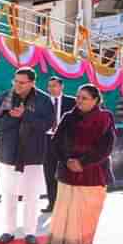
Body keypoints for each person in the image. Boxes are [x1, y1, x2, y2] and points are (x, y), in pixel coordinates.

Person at [47, 84, 115, 244]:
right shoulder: (68, 117)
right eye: (78, 97)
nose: (79, 101)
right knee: (65, 209)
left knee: (88, 210)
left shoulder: (105, 117)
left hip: (93, 172)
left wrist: (83, 163)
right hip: (67, 170)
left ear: (96, 100)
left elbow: (106, 147)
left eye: (84, 98)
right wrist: (67, 160)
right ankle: (61, 243)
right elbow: (55, 142)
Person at [0, 67, 54, 244]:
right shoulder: (5, 97)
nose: (17, 85)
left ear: (32, 83)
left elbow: (48, 124)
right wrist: (15, 118)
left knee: (32, 196)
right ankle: (8, 230)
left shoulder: (43, 100)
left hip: (32, 155)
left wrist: (25, 115)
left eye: (22, 82)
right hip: (8, 154)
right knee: (8, 195)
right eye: (15, 81)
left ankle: (30, 232)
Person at [42, 76, 76, 213]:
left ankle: (68, 203)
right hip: (47, 140)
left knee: (66, 171)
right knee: (49, 172)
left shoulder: (71, 102)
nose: (51, 88)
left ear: (62, 87)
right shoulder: (43, 102)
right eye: (49, 86)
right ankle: (52, 202)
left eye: (54, 86)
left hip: (65, 142)